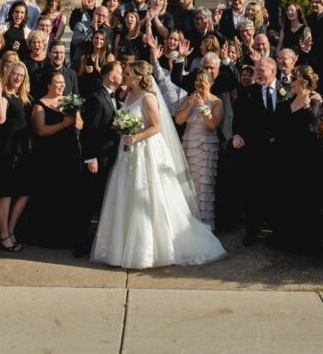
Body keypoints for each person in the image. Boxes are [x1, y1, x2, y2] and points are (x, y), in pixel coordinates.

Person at [90, 61, 226, 268]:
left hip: (146, 151)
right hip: (127, 154)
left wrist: (136, 137)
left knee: (148, 194)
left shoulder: (149, 98)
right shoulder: (127, 96)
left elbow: (155, 127)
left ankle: (149, 250)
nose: (124, 77)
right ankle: (120, 247)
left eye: (127, 74)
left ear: (137, 77)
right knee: (125, 195)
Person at [31, 68, 84, 249]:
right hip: (49, 154)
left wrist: (75, 118)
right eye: (57, 83)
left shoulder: (69, 101)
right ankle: (48, 235)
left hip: (70, 152)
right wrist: (62, 124)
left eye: (63, 83)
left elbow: (81, 124)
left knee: (68, 194)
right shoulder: (40, 104)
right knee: (50, 194)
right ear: (48, 85)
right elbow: (40, 130)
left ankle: (68, 234)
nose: (61, 86)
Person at [231, 57, 281, 245]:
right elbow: (239, 118)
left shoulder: (287, 90)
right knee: (252, 191)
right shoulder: (248, 93)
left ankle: (276, 231)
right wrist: (236, 135)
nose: (257, 73)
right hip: (254, 150)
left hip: (278, 151)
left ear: (273, 72)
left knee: (275, 191)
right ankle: (252, 231)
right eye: (256, 70)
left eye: (261, 70)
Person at [274, 64, 323, 250]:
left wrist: (309, 106)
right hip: (288, 156)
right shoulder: (287, 101)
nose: (291, 82)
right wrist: (294, 108)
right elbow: (278, 122)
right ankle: (288, 239)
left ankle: (307, 241)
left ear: (304, 81)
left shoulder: (316, 100)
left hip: (308, 157)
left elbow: (313, 124)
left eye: (295, 79)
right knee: (289, 196)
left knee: (307, 197)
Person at [78, 61, 123, 255]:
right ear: (112, 77)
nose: (123, 75)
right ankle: (81, 243)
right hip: (98, 158)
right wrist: (90, 158)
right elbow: (89, 131)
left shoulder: (117, 98)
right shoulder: (97, 98)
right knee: (89, 201)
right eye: (120, 72)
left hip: (111, 156)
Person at [175, 69, 224, 230]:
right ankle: (188, 224)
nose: (198, 83)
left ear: (210, 83)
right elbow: (179, 120)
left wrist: (203, 107)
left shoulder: (217, 102)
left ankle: (204, 226)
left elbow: (213, 125)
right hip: (189, 144)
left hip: (206, 147)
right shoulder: (188, 98)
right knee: (187, 184)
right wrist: (190, 106)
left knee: (204, 185)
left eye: (201, 81)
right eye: (196, 80)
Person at [0, 61, 33, 251]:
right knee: (6, 192)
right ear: (8, 74)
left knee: (25, 191)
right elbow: (1, 119)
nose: (18, 77)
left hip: (24, 150)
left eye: (21, 75)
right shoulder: (5, 96)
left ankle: (10, 229)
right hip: (8, 150)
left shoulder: (25, 98)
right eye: (15, 74)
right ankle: (2, 234)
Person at [78, 28, 115, 98]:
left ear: (105, 41)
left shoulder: (109, 57)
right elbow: (79, 75)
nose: (98, 41)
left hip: (101, 91)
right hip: (86, 89)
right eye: (96, 38)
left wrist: (97, 67)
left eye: (102, 39)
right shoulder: (85, 56)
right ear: (92, 39)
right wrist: (85, 70)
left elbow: (110, 77)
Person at [23, 29, 50, 101]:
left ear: (43, 44)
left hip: (47, 97)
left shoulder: (50, 60)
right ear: (30, 44)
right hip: (29, 97)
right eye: (33, 42)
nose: (36, 45)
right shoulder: (24, 61)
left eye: (39, 42)